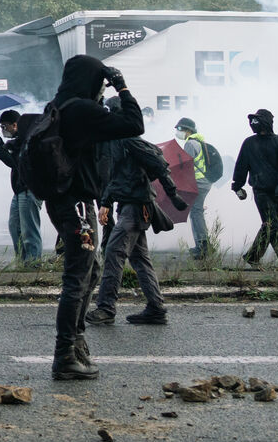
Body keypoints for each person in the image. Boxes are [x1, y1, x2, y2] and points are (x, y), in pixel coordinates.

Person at [47, 56, 145, 380]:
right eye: (100, 83)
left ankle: (76, 343)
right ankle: (65, 354)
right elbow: (134, 125)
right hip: (77, 205)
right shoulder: (81, 109)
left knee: (91, 273)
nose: (102, 89)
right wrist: (122, 87)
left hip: (64, 201)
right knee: (77, 278)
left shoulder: (58, 107)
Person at [87, 133, 187, 326]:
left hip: (136, 207)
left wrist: (173, 194)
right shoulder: (115, 143)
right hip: (128, 206)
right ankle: (156, 308)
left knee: (114, 253)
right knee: (140, 259)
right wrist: (106, 202)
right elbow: (115, 177)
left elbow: (159, 163)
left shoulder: (129, 140)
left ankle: (106, 308)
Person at [230, 108, 278, 267]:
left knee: (270, 225)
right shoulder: (249, 143)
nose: (254, 123)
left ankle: (253, 257)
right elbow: (241, 166)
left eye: (258, 120)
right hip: (261, 191)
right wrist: (237, 186)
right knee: (272, 224)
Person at [0, 109, 42, 267]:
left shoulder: (27, 140)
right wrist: (2, 148)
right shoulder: (18, 141)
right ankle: (22, 261)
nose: (3, 129)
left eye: (5, 126)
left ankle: (33, 263)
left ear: (15, 125)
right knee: (15, 226)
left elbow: (16, 163)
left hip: (29, 189)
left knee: (29, 229)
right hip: (20, 190)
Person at [175, 117, 213, 260]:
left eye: (180, 129)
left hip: (198, 182)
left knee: (196, 213)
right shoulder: (199, 142)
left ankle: (203, 247)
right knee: (197, 212)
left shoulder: (190, 143)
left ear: (188, 130)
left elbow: (186, 165)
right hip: (204, 182)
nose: (178, 132)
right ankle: (204, 245)